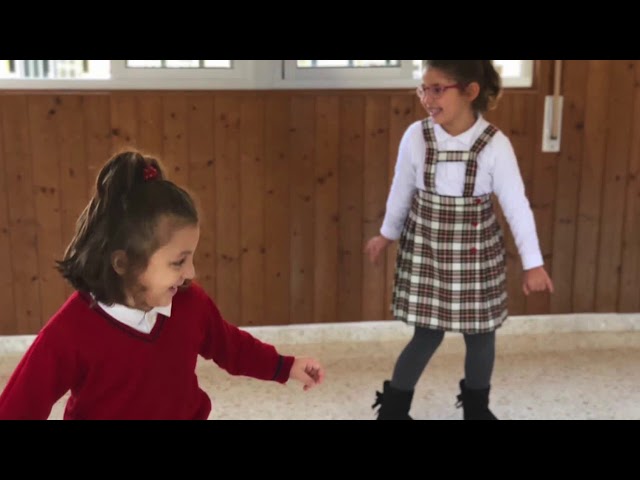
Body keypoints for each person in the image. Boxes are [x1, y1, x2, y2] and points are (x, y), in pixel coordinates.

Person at [0, 151, 324, 420]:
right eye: (178, 261)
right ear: (124, 263)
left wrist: (285, 366)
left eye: (191, 257)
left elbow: (231, 346)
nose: (191, 272)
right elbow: (21, 404)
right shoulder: (73, 329)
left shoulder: (190, 303)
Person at [365, 60, 553, 420]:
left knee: (481, 335)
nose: (427, 98)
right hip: (428, 254)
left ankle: (477, 410)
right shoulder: (416, 137)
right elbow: (401, 189)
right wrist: (387, 233)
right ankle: (393, 410)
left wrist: (534, 264)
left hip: (475, 257)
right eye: (423, 88)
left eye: (437, 89)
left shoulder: (494, 145)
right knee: (426, 335)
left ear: (470, 91)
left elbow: (516, 206)